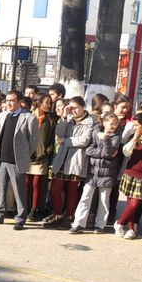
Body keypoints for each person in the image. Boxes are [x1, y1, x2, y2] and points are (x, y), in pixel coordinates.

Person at [0, 89, 38, 230]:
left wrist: (24, 154)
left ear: (20, 102)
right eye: (7, 100)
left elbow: (33, 142)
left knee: (18, 191)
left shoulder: (29, 118)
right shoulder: (2, 115)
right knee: (1, 189)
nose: (9, 103)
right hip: (2, 158)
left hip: (17, 160)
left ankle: (20, 218)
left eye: (12, 101)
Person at [44, 96, 95, 230]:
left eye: (76, 108)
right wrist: (64, 117)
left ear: (83, 107)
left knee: (72, 190)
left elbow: (84, 140)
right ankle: (58, 215)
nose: (74, 111)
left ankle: (68, 218)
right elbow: (59, 133)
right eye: (71, 108)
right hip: (62, 158)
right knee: (55, 189)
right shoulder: (68, 119)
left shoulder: (89, 121)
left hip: (76, 160)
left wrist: (66, 141)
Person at [70, 112, 122, 235]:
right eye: (111, 123)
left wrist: (105, 139)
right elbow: (89, 150)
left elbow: (109, 153)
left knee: (104, 200)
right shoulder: (95, 132)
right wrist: (103, 152)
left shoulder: (116, 136)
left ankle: (100, 225)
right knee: (85, 197)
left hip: (107, 173)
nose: (114, 126)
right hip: (92, 172)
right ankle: (79, 223)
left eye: (115, 124)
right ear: (104, 123)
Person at [114, 113, 142, 240]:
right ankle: (131, 229)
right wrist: (134, 139)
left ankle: (119, 222)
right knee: (130, 203)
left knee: (135, 203)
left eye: (136, 125)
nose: (134, 128)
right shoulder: (133, 137)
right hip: (130, 172)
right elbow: (126, 152)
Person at [26, 93, 58, 222]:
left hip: (42, 157)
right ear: (38, 102)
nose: (49, 105)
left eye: (50, 103)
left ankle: (34, 209)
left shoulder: (50, 120)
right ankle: (25, 208)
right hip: (27, 156)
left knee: (37, 183)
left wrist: (47, 150)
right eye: (47, 102)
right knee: (27, 183)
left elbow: (52, 138)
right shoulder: (28, 117)